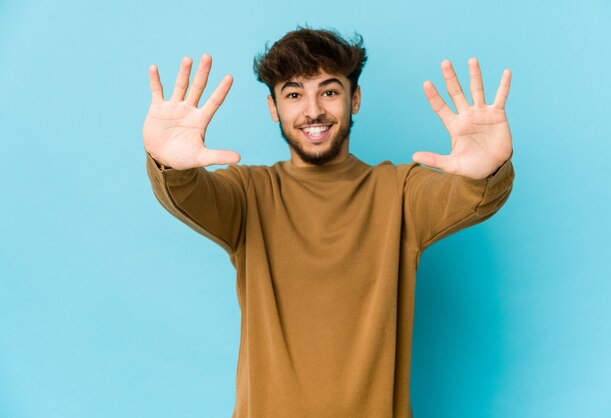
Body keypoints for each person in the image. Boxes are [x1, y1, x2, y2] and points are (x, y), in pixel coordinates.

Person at [142, 27, 514, 418]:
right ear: (273, 108)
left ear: (355, 99)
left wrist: (485, 171)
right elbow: (189, 195)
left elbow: (467, 199)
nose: (313, 110)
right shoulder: (248, 194)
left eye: (329, 91)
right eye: (293, 94)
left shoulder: (400, 192)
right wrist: (170, 165)